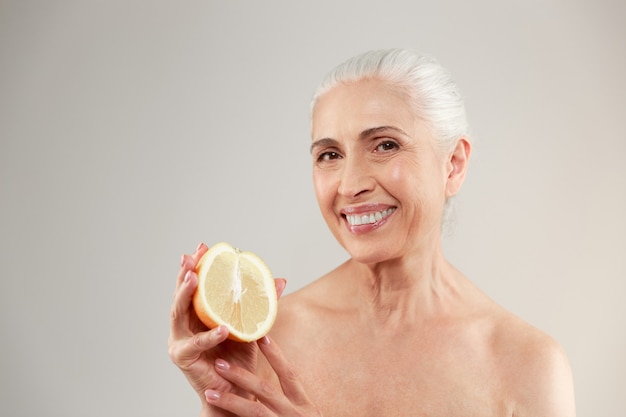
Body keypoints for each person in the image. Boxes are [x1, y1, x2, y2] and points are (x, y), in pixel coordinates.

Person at [169, 49, 576, 417]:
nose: (350, 184)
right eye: (329, 155)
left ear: (453, 164)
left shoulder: (527, 367)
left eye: (384, 146)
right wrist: (219, 406)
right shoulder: (264, 340)